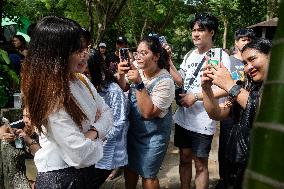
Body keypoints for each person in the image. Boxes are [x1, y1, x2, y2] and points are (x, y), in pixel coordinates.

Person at [19, 16, 113, 188]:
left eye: (86, 48)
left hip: (83, 175)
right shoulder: (51, 94)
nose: (84, 54)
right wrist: (101, 134)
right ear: (56, 54)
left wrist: (92, 133)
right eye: (78, 50)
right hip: (61, 179)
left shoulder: (81, 80)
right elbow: (80, 155)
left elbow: (108, 113)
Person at [168, 12, 231, 189]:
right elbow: (180, 80)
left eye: (200, 30)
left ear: (211, 32)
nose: (195, 34)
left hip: (203, 120)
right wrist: (168, 62)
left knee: (200, 164)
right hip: (183, 118)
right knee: (184, 159)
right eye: (194, 30)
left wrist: (195, 96)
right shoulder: (189, 55)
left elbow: (224, 87)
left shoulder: (220, 56)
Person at [202, 38, 271, 189]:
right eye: (245, 63)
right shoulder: (247, 86)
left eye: (253, 59)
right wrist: (206, 89)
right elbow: (218, 114)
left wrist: (229, 85)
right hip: (241, 165)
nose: (248, 67)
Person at [117, 36, 175, 189]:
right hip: (133, 131)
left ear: (156, 56)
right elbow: (123, 88)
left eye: (144, 53)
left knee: (148, 174)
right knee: (129, 167)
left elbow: (148, 113)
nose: (139, 57)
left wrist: (138, 83)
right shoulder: (137, 66)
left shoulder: (165, 81)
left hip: (154, 136)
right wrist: (121, 74)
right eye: (137, 53)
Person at [216, 28, 255, 189]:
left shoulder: (253, 62)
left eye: (248, 40)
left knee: (246, 149)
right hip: (230, 111)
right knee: (226, 146)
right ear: (236, 42)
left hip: (250, 110)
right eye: (242, 39)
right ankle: (224, 179)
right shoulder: (228, 61)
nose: (245, 42)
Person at [88, 54, 129, 187]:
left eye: (87, 72)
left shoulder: (113, 91)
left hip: (106, 149)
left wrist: (95, 136)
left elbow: (119, 123)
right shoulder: (87, 87)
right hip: (89, 147)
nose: (83, 76)